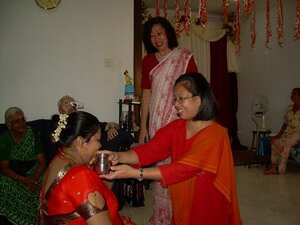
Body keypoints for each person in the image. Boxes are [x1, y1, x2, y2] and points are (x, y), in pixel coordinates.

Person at [101, 73, 242, 225]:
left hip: (208, 202)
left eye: (181, 99)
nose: (176, 104)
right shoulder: (177, 127)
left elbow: (184, 168)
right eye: (175, 99)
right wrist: (117, 156)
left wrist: (135, 173)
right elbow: (150, 150)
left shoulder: (216, 134)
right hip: (182, 199)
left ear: (199, 99)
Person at [139, 16, 198, 225]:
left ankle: (182, 214)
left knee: (179, 166)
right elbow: (146, 93)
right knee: (161, 168)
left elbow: (194, 91)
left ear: (168, 33)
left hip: (179, 120)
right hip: (156, 121)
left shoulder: (184, 58)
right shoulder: (148, 61)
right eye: (152, 35)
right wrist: (143, 125)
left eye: (160, 33)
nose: (156, 38)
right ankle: (163, 216)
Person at [39, 111, 123, 225]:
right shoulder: (80, 175)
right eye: (98, 140)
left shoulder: (59, 159)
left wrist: (106, 172)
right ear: (81, 142)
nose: (100, 145)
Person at [0, 107, 46, 224]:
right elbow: (4, 168)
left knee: (45, 182)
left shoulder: (33, 134)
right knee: (3, 184)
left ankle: (38, 220)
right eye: (16, 121)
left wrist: (34, 179)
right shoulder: (5, 138)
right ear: (9, 125)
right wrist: (24, 180)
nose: (21, 124)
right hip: (14, 172)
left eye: (23, 120)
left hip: (34, 170)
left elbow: (42, 162)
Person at [264, 88, 300, 174]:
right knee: (274, 141)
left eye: (294, 93)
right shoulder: (289, 108)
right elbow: (285, 123)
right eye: (291, 94)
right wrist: (279, 134)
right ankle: (273, 166)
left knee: (286, 142)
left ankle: (281, 169)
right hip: (287, 132)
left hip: (298, 133)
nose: (292, 95)